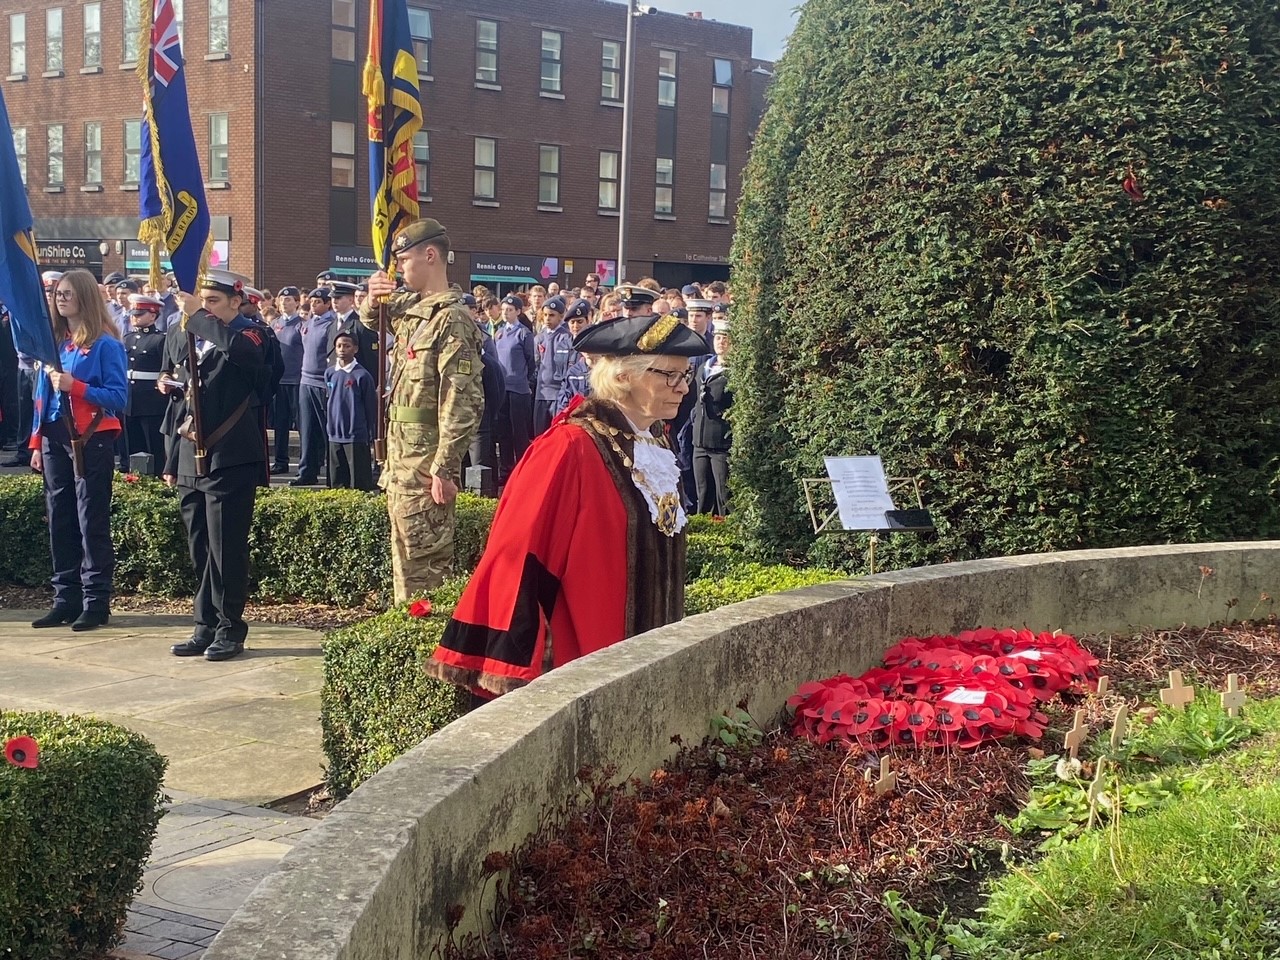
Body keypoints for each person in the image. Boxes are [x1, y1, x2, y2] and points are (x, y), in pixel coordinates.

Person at [426, 307, 706, 703]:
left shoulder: (655, 444)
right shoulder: (569, 448)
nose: (682, 387)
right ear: (623, 376)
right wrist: (522, 674)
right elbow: (518, 559)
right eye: (669, 375)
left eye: (686, 375)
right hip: (582, 675)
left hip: (645, 666)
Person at [361, 218, 485, 601]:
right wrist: (372, 294)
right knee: (404, 561)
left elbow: (462, 401)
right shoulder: (415, 308)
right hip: (402, 460)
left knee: (426, 569)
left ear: (430, 256)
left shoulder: (452, 319)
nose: (398, 270)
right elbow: (371, 317)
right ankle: (409, 641)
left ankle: (426, 650)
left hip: (426, 463)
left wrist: (445, 467)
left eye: (403, 261)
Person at [163, 270, 269, 661]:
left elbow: (247, 356)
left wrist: (200, 318)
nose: (204, 307)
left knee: (226, 547)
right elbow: (174, 359)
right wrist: (186, 320)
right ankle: (204, 625)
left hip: (230, 454)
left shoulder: (253, 333)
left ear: (235, 303)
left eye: (213, 302)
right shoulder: (192, 330)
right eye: (201, 300)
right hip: (190, 452)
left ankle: (230, 628)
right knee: (199, 546)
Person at [29, 269, 128, 631]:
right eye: (57, 293)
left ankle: (95, 601)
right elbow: (41, 398)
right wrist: (37, 442)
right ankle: (64, 598)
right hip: (55, 437)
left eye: (68, 293)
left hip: (90, 438)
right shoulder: (53, 344)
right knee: (60, 517)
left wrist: (77, 386)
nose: (60, 298)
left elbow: (118, 397)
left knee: (91, 519)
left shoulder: (105, 344)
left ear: (84, 296)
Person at [324, 330, 378, 491]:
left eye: (347, 346)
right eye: (339, 346)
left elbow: (370, 408)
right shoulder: (330, 373)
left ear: (355, 349)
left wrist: (370, 433)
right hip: (334, 434)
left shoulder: (362, 376)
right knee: (337, 483)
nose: (342, 349)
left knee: (358, 483)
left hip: (355, 435)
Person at [122, 294, 169, 476]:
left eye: (139, 314)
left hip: (151, 401)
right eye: (134, 313)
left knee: (153, 447)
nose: (135, 317)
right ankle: (133, 479)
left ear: (152, 315)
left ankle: (156, 478)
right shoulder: (128, 338)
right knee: (131, 446)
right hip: (130, 400)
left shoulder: (160, 340)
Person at [492, 293, 535, 482]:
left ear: (518, 311)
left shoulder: (524, 333)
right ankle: (506, 470)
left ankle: (523, 468)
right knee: (504, 431)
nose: (506, 313)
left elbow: (531, 360)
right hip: (503, 388)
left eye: (510, 310)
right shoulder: (499, 332)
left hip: (519, 388)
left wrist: (524, 379)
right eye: (503, 310)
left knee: (519, 431)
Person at [293, 287, 334, 485]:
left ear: (327, 303)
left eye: (318, 302)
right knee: (307, 428)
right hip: (305, 381)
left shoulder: (331, 324)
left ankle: (332, 472)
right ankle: (307, 471)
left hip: (323, 382)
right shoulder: (307, 323)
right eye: (312, 301)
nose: (314, 305)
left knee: (327, 430)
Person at [693, 317, 733, 516]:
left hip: (720, 443)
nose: (721, 342)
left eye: (725, 338)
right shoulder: (703, 367)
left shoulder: (733, 372)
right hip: (699, 442)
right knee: (703, 492)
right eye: (718, 337)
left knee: (724, 494)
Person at [269, 286, 304, 474]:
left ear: (297, 303)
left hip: (297, 381)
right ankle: (281, 461)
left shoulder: (302, 325)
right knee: (280, 424)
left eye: (289, 299)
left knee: (301, 424)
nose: (284, 303)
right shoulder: (275, 324)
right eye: (282, 299)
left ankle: (306, 462)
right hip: (280, 381)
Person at [532, 295, 572, 436]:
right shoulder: (539, 337)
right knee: (540, 434)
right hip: (541, 393)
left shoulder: (565, 337)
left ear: (561, 317)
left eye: (552, 315)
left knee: (556, 433)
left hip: (558, 394)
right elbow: (535, 363)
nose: (548, 319)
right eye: (545, 315)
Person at [552, 298, 594, 416]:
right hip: (566, 396)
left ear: (588, 320)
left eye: (579, 322)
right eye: (572, 322)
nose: (575, 326)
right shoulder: (562, 344)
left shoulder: (595, 345)